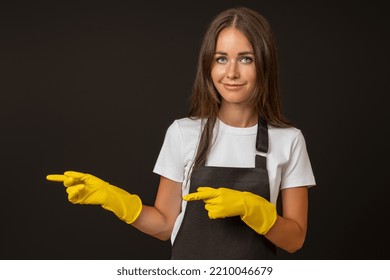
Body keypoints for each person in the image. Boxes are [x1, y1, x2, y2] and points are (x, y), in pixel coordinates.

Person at [47, 6, 316, 259]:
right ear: (208, 66)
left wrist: (255, 210)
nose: (231, 72)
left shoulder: (289, 140)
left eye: (246, 59)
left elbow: (294, 240)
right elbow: (165, 224)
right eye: (221, 59)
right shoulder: (183, 133)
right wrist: (115, 200)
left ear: (265, 65)